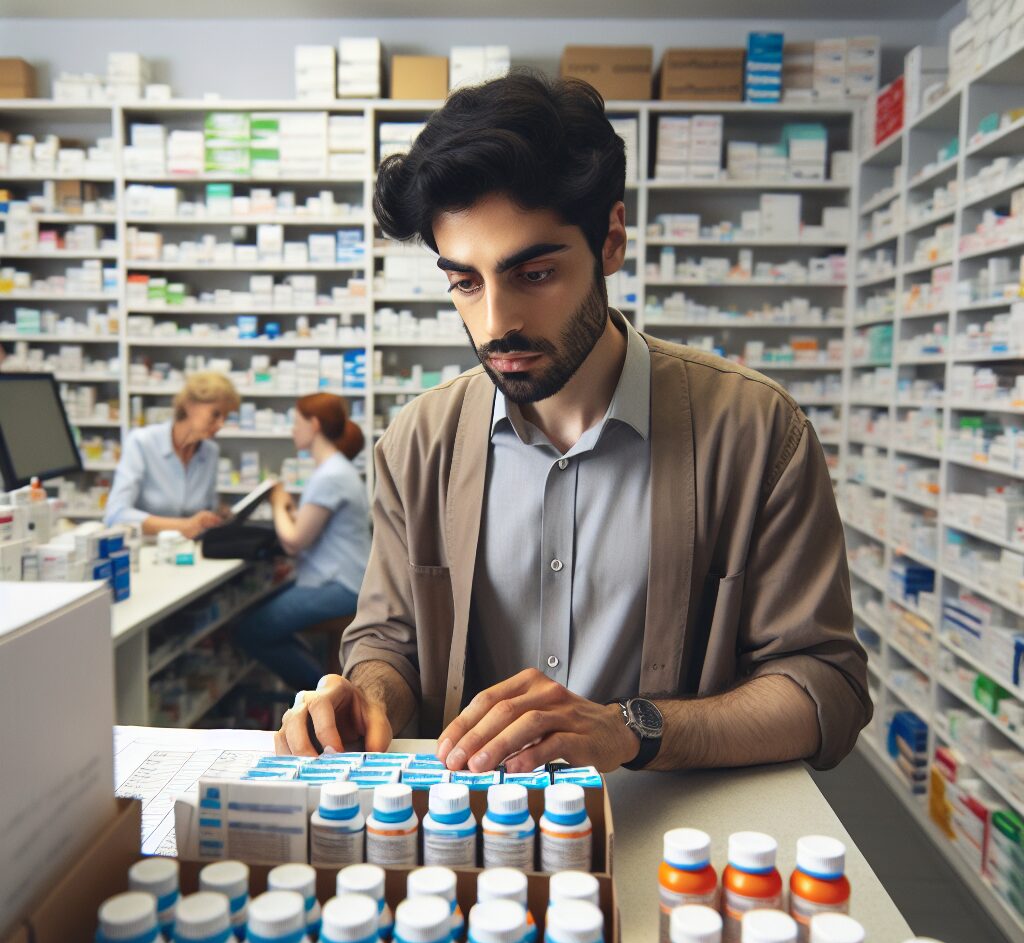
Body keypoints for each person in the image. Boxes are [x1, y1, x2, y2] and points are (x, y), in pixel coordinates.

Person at [275, 71, 870, 773]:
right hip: (472, 838)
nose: (496, 324)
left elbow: (824, 685)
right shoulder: (419, 442)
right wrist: (364, 694)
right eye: (465, 282)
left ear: (610, 240)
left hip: (675, 836)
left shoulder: (756, 431)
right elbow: (388, 641)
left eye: (534, 274)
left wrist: (632, 729)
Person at [234, 392, 371, 688]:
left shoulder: (330, 475)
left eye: (296, 423)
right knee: (262, 620)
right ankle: (322, 689)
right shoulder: (334, 470)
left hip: (339, 586)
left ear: (314, 424)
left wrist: (277, 502)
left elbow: (294, 541)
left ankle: (324, 696)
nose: (292, 430)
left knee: (252, 630)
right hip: (342, 580)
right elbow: (311, 526)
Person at [104, 370, 239, 538]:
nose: (220, 424)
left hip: (191, 553)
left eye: (225, 417)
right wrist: (184, 526)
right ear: (190, 405)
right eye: (216, 414)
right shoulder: (141, 442)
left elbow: (207, 509)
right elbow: (115, 515)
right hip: (147, 550)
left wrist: (219, 515)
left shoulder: (210, 452)